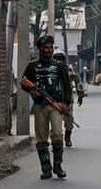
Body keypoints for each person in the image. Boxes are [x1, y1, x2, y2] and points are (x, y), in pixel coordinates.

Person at [22, 36, 72, 179]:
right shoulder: (32, 66)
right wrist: (31, 90)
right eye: (46, 47)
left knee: (57, 134)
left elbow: (67, 86)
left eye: (51, 47)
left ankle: (58, 166)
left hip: (56, 105)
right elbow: (23, 83)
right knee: (41, 138)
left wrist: (66, 104)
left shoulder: (59, 65)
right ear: (40, 49)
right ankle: (46, 169)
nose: (49, 50)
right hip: (40, 106)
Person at [53, 48, 84, 147]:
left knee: (69, 121)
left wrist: (80, 94)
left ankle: (67, 138)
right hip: (54, 99)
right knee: (55, 121)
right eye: (56, 58)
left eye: (61, 58)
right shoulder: (50, 69)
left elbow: (77, 81)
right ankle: (57, 140)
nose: (59, 60)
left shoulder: (69, 68)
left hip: (68, 100)